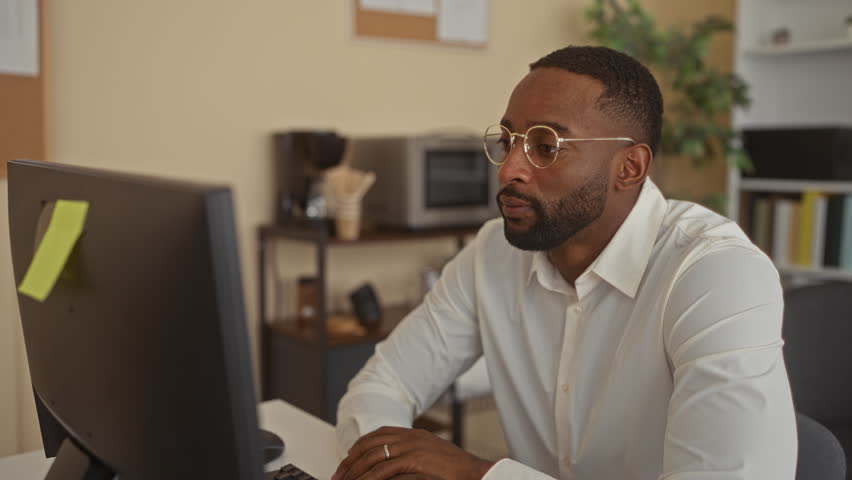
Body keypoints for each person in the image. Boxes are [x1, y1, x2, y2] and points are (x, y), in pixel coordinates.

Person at [331, 45, 797, 480]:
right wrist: (387, 465)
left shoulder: (714, 274)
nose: (509, 168)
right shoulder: (492, 253)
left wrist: (476, 473)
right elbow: (381, 385)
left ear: (629, 167)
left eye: (545, 145)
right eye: (509, 139)